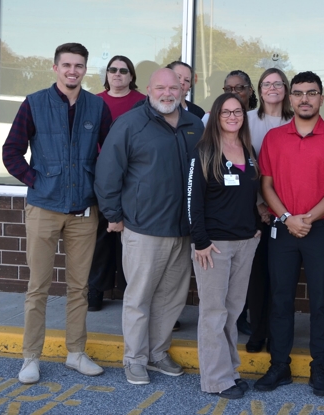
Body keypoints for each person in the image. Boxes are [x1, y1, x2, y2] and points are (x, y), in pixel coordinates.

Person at [2, 42, 112, 384]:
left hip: (84, 210)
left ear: (85, 70)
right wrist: (36, 180)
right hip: (43, 208)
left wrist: (99, 188)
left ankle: (76, 353)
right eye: (66, 65)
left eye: (78, 65)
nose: (72, 71)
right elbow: (11, 151)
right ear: (55, 68)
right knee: (38, 287)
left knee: (79, 288)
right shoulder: (34, 103)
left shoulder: (97, 106)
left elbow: (110, 156)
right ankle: (30, 358)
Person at [94, 68, 204, 385]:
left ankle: (157, 353)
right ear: (148, 89)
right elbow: (108, 172)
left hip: (182, 230)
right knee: (139, 298)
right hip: (143, 228)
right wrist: (113, 214)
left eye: (173, 87)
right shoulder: (131, 123)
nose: (167, 93)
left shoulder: (194, 125)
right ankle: (134, 359)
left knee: (171, 299)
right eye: (160, 88)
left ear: (183, 90)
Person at [254, 71, 324, 397]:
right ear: (290, 98)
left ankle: (319, 367)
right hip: (283, 228)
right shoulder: (274, 138)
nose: (305, 99)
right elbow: (266, 185)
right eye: (298, 93)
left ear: (321, 99)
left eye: (311, 93)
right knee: (280, 299)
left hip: (321, 228)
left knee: (322, 301)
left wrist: (307, 219)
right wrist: (287, 218)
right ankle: (279, 366)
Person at [187, 93, 261, 399]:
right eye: (226, 112)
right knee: (214, 313)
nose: (233, 116)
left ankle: (230, 371)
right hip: (214, 245)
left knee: (232, 312)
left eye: (238, 111)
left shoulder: (248, 149)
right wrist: (200, 241)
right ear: (216, 116)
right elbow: (192, 200)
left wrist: (256, 228)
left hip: (245, 242)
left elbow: (251, 194)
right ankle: (216, 380)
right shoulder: (204, 151)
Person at [88, 55, 146, 312]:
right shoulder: (94, 102)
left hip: (133, 179)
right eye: (113, 69)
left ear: (131, 76)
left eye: (123, 70)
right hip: (102, 178)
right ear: (107, 74)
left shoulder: (143, 103)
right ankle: (96, 289)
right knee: (101, 237)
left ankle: (128, 291)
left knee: (130, 239)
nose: (118, 74)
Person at [243, 67, 294, 353]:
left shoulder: (296, 121)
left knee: (281, 277)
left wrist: (277, 208)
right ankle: (257, 331)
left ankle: (278, 333)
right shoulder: (247, 120)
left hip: (286, 212)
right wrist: (260, 204)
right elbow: (242, 167)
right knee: (257, 275)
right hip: (253, 210)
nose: (272, 88)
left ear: (286, 89)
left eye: (278, 84)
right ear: (259, 90)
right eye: (266, 84)